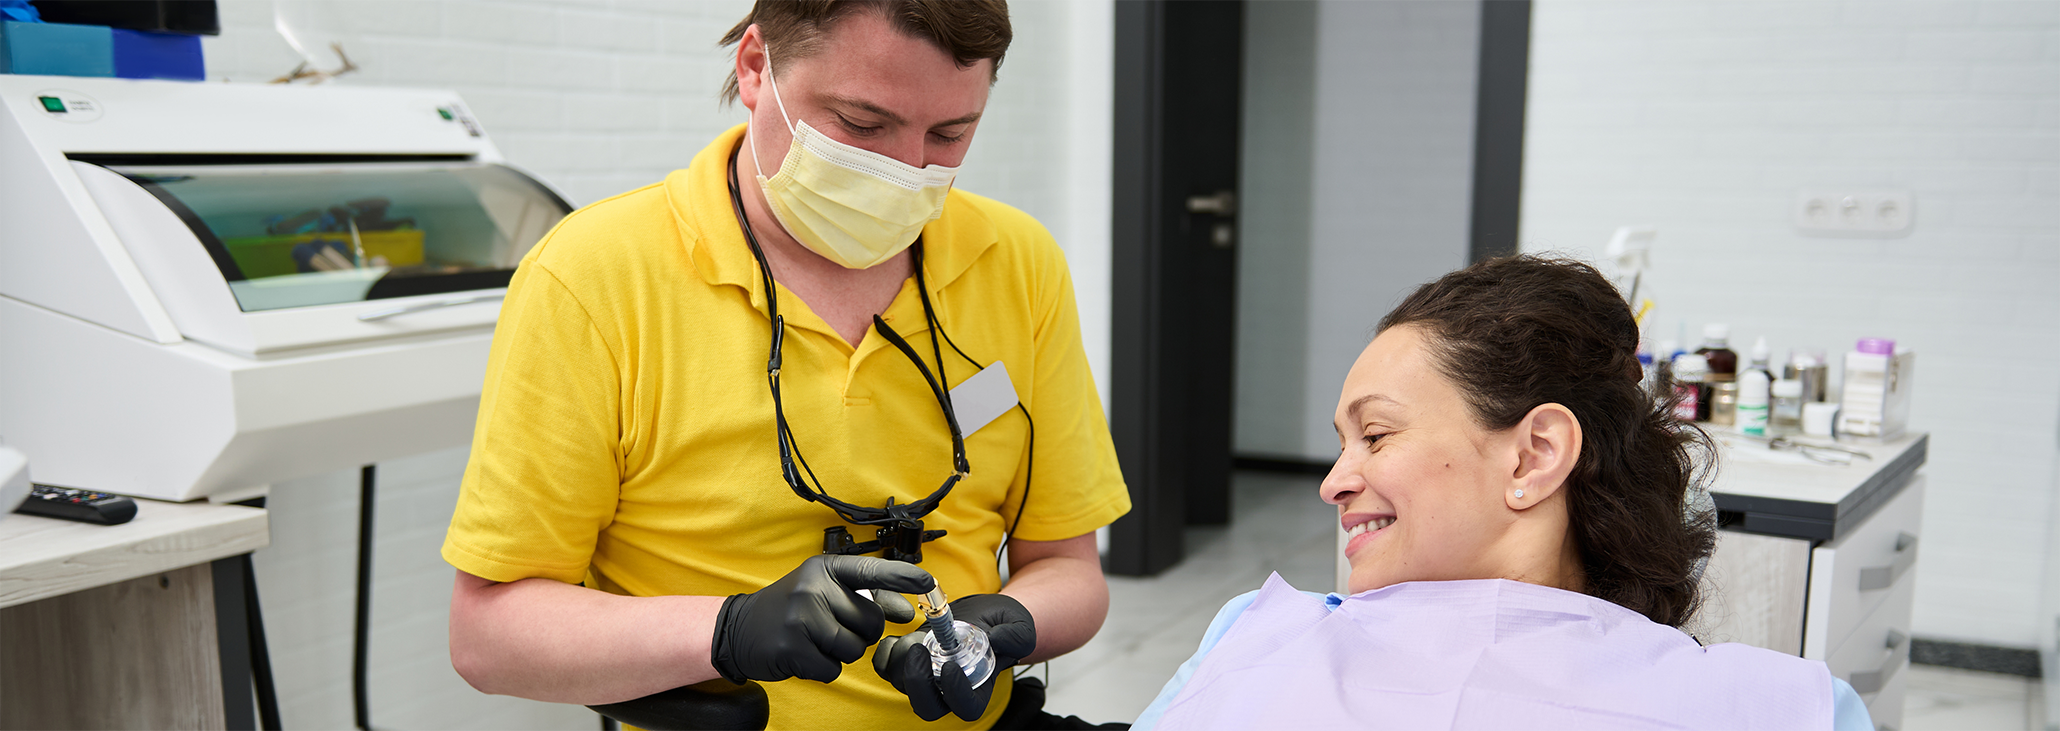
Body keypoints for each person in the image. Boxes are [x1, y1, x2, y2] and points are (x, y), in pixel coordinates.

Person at [439, 2, 1130, 730]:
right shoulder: (596, 276)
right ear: (755, 67)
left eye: (950, 134)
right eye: (863, 126)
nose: (905, 171)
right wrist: (727, 631)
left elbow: (1071, 570)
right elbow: (487, 635)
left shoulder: (1018, 263)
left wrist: (1006, 623)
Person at [1132, 255, 1872, 730]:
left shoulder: (1785, 710)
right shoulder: (1252, 632)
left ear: (1535, 455)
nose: (1334, 482)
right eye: (1340, 443)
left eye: (1377, 434)